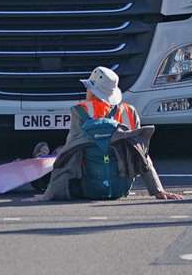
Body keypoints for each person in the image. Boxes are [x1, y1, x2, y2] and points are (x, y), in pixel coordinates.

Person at [39, 67, 182, 201]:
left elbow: (70, 154)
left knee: (60, 152)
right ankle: (44, 153)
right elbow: (141, 154)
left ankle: (40, 155)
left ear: (92, 91)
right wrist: (157, 190)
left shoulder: (80, 111)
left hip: (88, 189)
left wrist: (48, 194)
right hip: (119, 190)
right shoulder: (129, 112)